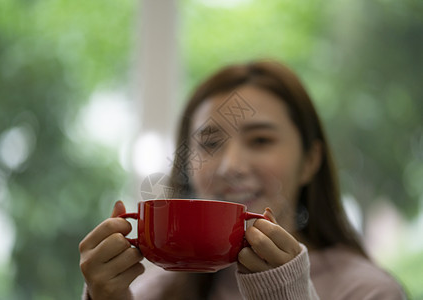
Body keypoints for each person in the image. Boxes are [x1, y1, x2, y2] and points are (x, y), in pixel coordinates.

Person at [79, 60, 406, 299]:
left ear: (310, 162)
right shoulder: (149, 291)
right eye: (209, 144)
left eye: (261, 140)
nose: (230, 166)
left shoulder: (369, 292)